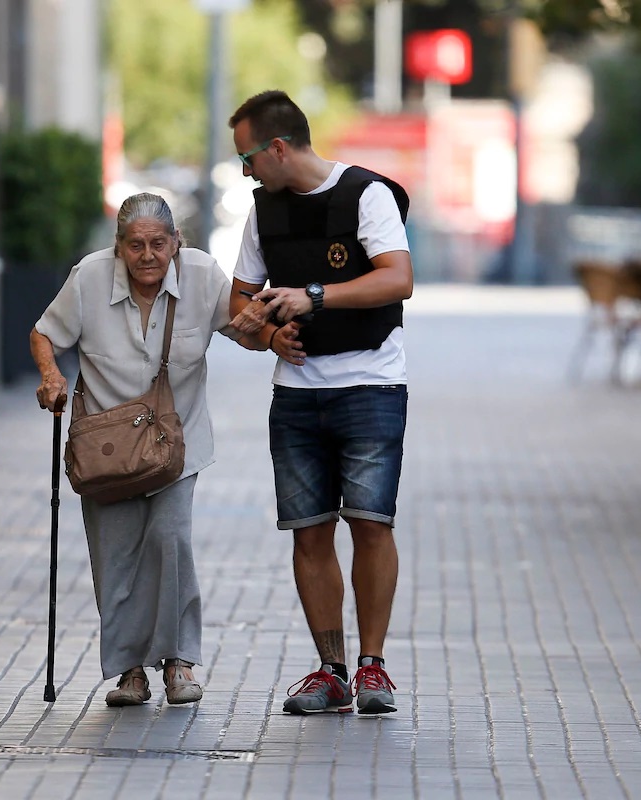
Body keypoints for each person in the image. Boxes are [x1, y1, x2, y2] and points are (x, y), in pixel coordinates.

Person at [226, 90, 412, 715]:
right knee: (308, 532)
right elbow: (238, 304)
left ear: (277, 147)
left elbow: (397, 278)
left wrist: (314, 296)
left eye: (248, 157)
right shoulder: (263, 212)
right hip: (297, 396)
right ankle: (331, 669)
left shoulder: (366, 194)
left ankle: (373, 667)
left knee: (370, 523)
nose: (245, 171)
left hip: (370, 384)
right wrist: (268, 333)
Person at [31, 192, 242, 707]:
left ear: (176, 243)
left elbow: (243, 328)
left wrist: (273, 333)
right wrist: (52, 375)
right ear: (119, 247)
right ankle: (130, 671)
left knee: (171, 539)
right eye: (135, 245)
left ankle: (178, 662)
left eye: (157, 244)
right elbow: (44, 334)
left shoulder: (203, 275)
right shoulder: (89, 278)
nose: (147, 256)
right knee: (116, 555)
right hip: (106, 445)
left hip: (176, 441)